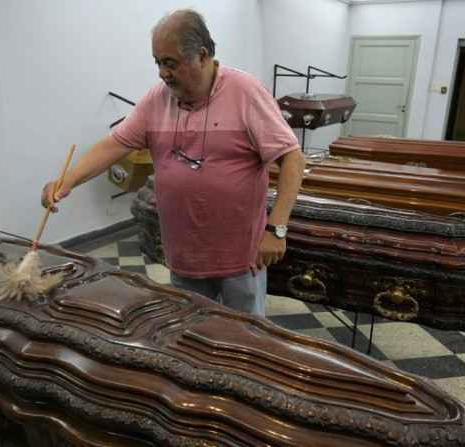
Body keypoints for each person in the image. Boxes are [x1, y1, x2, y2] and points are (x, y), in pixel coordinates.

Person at [42, 9, 305, 316]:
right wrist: (68, 180)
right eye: (157, 62)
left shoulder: (247, 93)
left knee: (243, 345)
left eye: (170, 63)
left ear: (202, 56)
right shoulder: (156, 99)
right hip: (185, 257)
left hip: (240, 259)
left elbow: (292, 159)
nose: (162, 72)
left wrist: (276, 230)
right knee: (189, 339)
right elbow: (115, 143)